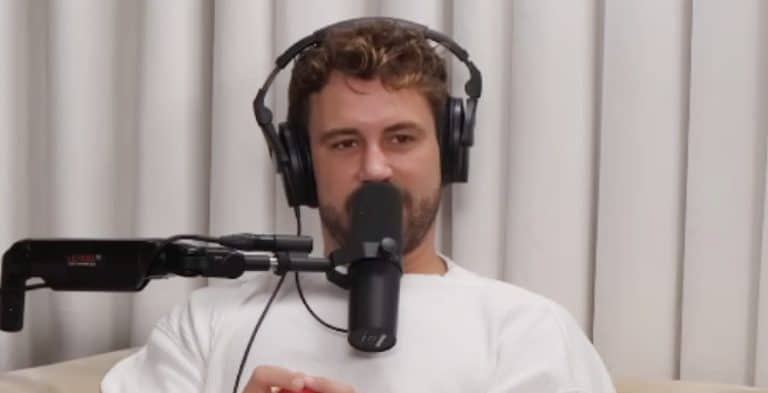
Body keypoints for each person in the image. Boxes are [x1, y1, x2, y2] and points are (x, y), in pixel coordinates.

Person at [101, 18, 616, 393]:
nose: (375, 168)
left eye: (401, 138)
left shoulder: (525, 331)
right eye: (345, 142)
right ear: (300, 164)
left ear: (448, 152)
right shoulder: (206, 325)